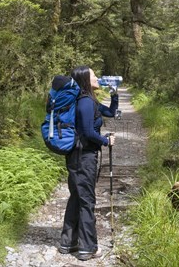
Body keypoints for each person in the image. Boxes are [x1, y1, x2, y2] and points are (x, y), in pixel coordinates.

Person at [59, 65, 118, 261]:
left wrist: (114, 93)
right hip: (83, 157)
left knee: (77, 197)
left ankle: (68, 242)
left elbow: (110, 112)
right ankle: (87, 247)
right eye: (93, 75)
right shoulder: (84, 102)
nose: (97, 77)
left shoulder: (90, 100)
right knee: (86, 200)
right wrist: (105, 140)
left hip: (79, 155)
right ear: (85, 79)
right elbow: (87, 132)